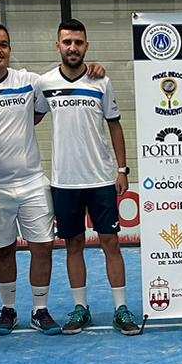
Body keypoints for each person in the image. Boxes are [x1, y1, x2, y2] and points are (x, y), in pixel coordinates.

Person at [0, 20, 104, 337]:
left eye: (3, 44)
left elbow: (65, 78)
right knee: (4, 250)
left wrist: (93, 69)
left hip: (32, 182)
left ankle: (40, 310)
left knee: (43, 247)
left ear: (10, 49)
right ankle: (8, 310)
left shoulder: (30, 82)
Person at [39, 19, 142, 335]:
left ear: (86, 46)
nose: (73, 47)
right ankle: (80, 308)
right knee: (74, 245)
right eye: (67, 42)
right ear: (58, 45)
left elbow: (115, 125)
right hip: (64, 182)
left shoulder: (101, 81)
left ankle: (121, 308)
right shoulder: (44, 83)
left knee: (111, 243)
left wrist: (122, 170)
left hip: (101, 180)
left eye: (78, 42)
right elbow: (27, 118)